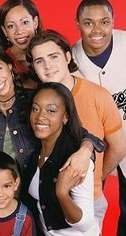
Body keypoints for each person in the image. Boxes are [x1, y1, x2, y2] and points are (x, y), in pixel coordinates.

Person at [0, 45, 104, 236]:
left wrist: (85, 150)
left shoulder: (35, 102)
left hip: (36, 205)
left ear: (9, 66)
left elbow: (78, 132)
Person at [26, 29, 126, 229]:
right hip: (43, 202)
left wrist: (95, 177)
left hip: (87, 202)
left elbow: (118, 147)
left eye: (53, 57)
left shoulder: (98, 95)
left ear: (67, 56)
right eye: (39, 61)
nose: (47, 66)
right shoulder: (34, 100)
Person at [72, 1, 126, 235]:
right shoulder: (69, 57)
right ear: (77, 24)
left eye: (104, 22)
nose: (97, 30)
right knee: (88, 211)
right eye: (88, 23)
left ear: (113, 21)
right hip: (92, 147)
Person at [25, 82, 99, 235]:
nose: (40, 117)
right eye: (35, 109)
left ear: (65, 117)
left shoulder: (76, 159)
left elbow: (85, 224)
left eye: (51, 110)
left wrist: (62, 193)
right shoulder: (34, 150)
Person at [0, 0, 42, 89]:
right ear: (5, 31)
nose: (19, 31)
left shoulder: (50, 50)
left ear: (35, 22)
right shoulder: (1, 62)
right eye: (11, 26)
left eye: (25, 22)